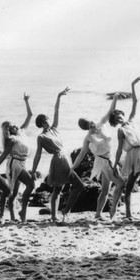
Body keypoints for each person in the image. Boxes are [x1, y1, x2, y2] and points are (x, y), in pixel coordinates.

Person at [30, 87, 84, 222]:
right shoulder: (41, 137)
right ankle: (58, 213)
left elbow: (56, 111)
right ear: (43, 122)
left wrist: (59, 97)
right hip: (59, 161)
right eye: (47, 119)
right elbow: (38, 155)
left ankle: (61, 212)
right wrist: (34, 171)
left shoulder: (54, 129)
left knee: (61, 189)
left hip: (65, 158)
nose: (50, 119)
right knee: (73, 186)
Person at [110, 77, 140, 219]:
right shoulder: (120, 131)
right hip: (132, 155)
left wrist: (132, 85)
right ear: (115, 122)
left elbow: (135, 102)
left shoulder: (131, 120)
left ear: (123, 115)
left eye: (119, 115)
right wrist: (115, 165)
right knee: (132, 184)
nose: (119, 118)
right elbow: (119, 149)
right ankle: (130, 213)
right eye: (116, 118)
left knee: (138, 183)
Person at [72, 93, 125, 220]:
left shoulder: (101, 124)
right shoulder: (89, 138)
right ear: (85, 129)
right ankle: (113, 210)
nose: (91, 125)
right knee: (121, 184)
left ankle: (98, 214)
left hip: (109, 158)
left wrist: (115, 98)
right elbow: (81, 154)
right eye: (87, 126)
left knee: (105, 189)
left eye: (90, 122)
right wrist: (72, 167)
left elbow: (110, 111)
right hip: (104, 162)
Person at [0, 93, 34, 223]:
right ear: (8, 131)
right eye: (10, 127)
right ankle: (21, 212)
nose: (14, 126)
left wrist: (26, 101)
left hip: (22, 163)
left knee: (14, 193)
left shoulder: (21, 132)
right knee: (31, 184)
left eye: (14, 124)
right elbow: (4, 155)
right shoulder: (11, 139)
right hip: (15, 164)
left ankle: (12, 217)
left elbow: (30, 115)